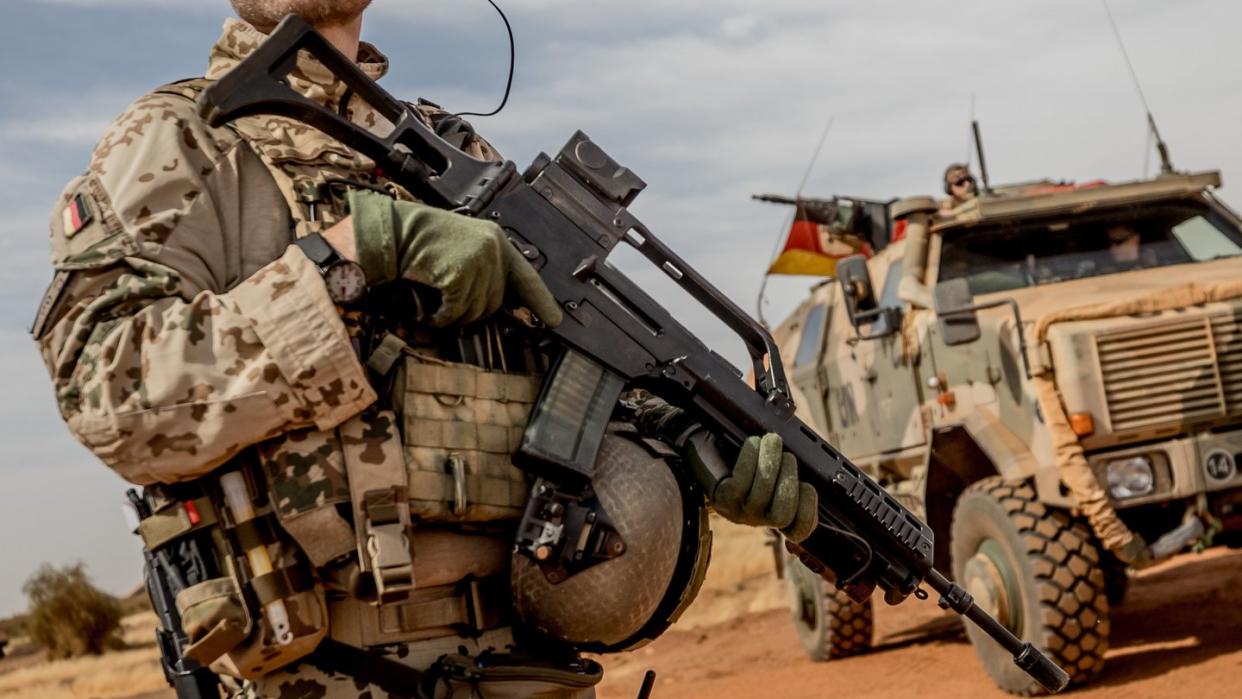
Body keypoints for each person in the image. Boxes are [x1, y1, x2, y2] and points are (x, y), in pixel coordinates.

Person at [33, 3, 816, 697]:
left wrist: (690, 459)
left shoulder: (455, 150)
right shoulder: (178, 140)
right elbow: (109, 392)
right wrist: (349, 255)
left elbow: (574, 394)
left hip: (529, 671)